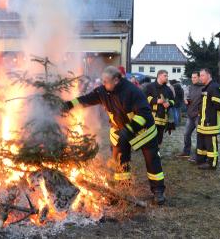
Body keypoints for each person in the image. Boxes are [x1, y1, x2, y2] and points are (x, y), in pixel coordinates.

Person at [63, 66, 166, 205]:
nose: (103, 84)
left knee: (152, 161)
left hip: (144, 132)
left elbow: (144, 115)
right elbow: (86, 99)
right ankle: (124, 190)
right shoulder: (103, 91)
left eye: (106, 81)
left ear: (116, 80)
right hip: (119, 131)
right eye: (103, 81)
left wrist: (129, 130)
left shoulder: (133, 92)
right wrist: (69, 104)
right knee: (120, 163)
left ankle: (158, 191)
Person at [196, 68, 220, 170]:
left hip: (211, 121)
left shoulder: (214, 87)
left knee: (211, 143)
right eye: (200, 75)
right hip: (203, 121)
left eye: (202, 75)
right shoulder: (206, 88)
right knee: (202, 142)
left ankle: (212, 164)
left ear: (209, 75)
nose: (200, 78)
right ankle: (201, 159)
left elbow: (218, 103)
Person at [176, 72, 204, 160]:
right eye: (192, 77)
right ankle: (186, 151)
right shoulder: (190, 87)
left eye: (195, 77)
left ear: (199, 78)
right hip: (190, 115)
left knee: (199, 135)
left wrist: (200, 112)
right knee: (186, 134)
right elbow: (187, 97)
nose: (193, 79)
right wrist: (185, 100)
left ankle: (198, 155)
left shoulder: (204, 88)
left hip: (198, 115)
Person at [145, 70, 175, 146]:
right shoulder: (150, 87)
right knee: (150, 137)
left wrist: (169, 103)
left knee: (159, 139)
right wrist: (156, 101)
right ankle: (151, 154)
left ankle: (157, 153)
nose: (167, 77)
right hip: (151, 117)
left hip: (163, 118)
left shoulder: (168, 89)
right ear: (159, 75)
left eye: (167, 76)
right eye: (165, 76)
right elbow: (144, 98)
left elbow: (174, 100)